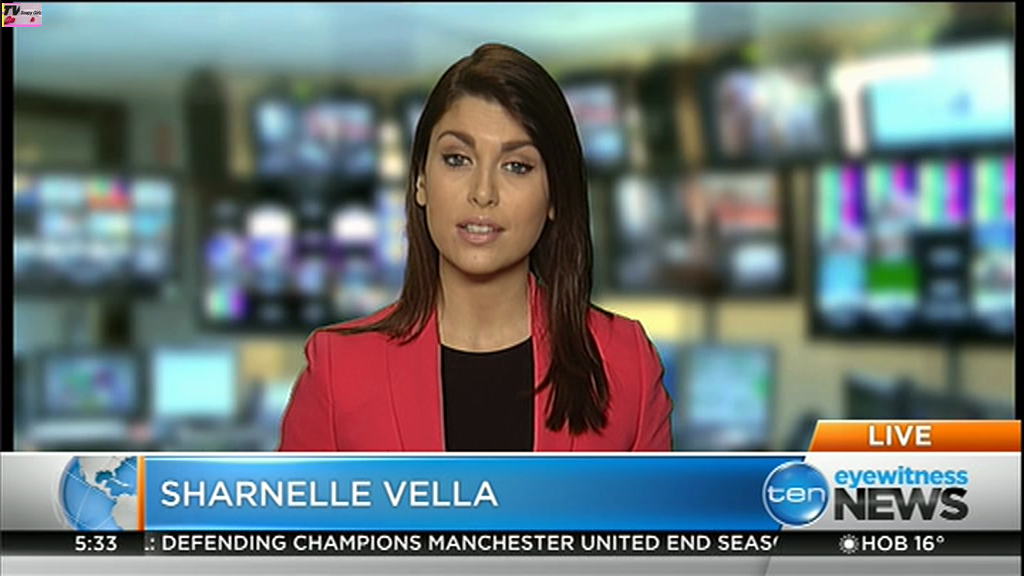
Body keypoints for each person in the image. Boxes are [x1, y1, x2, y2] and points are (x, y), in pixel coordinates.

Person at [279, 43, 672, 452]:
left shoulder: (626, 363)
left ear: (555, 195)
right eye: (457, 159)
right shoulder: (339, 370)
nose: (483, 193)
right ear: (421, 181)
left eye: (516, 166)